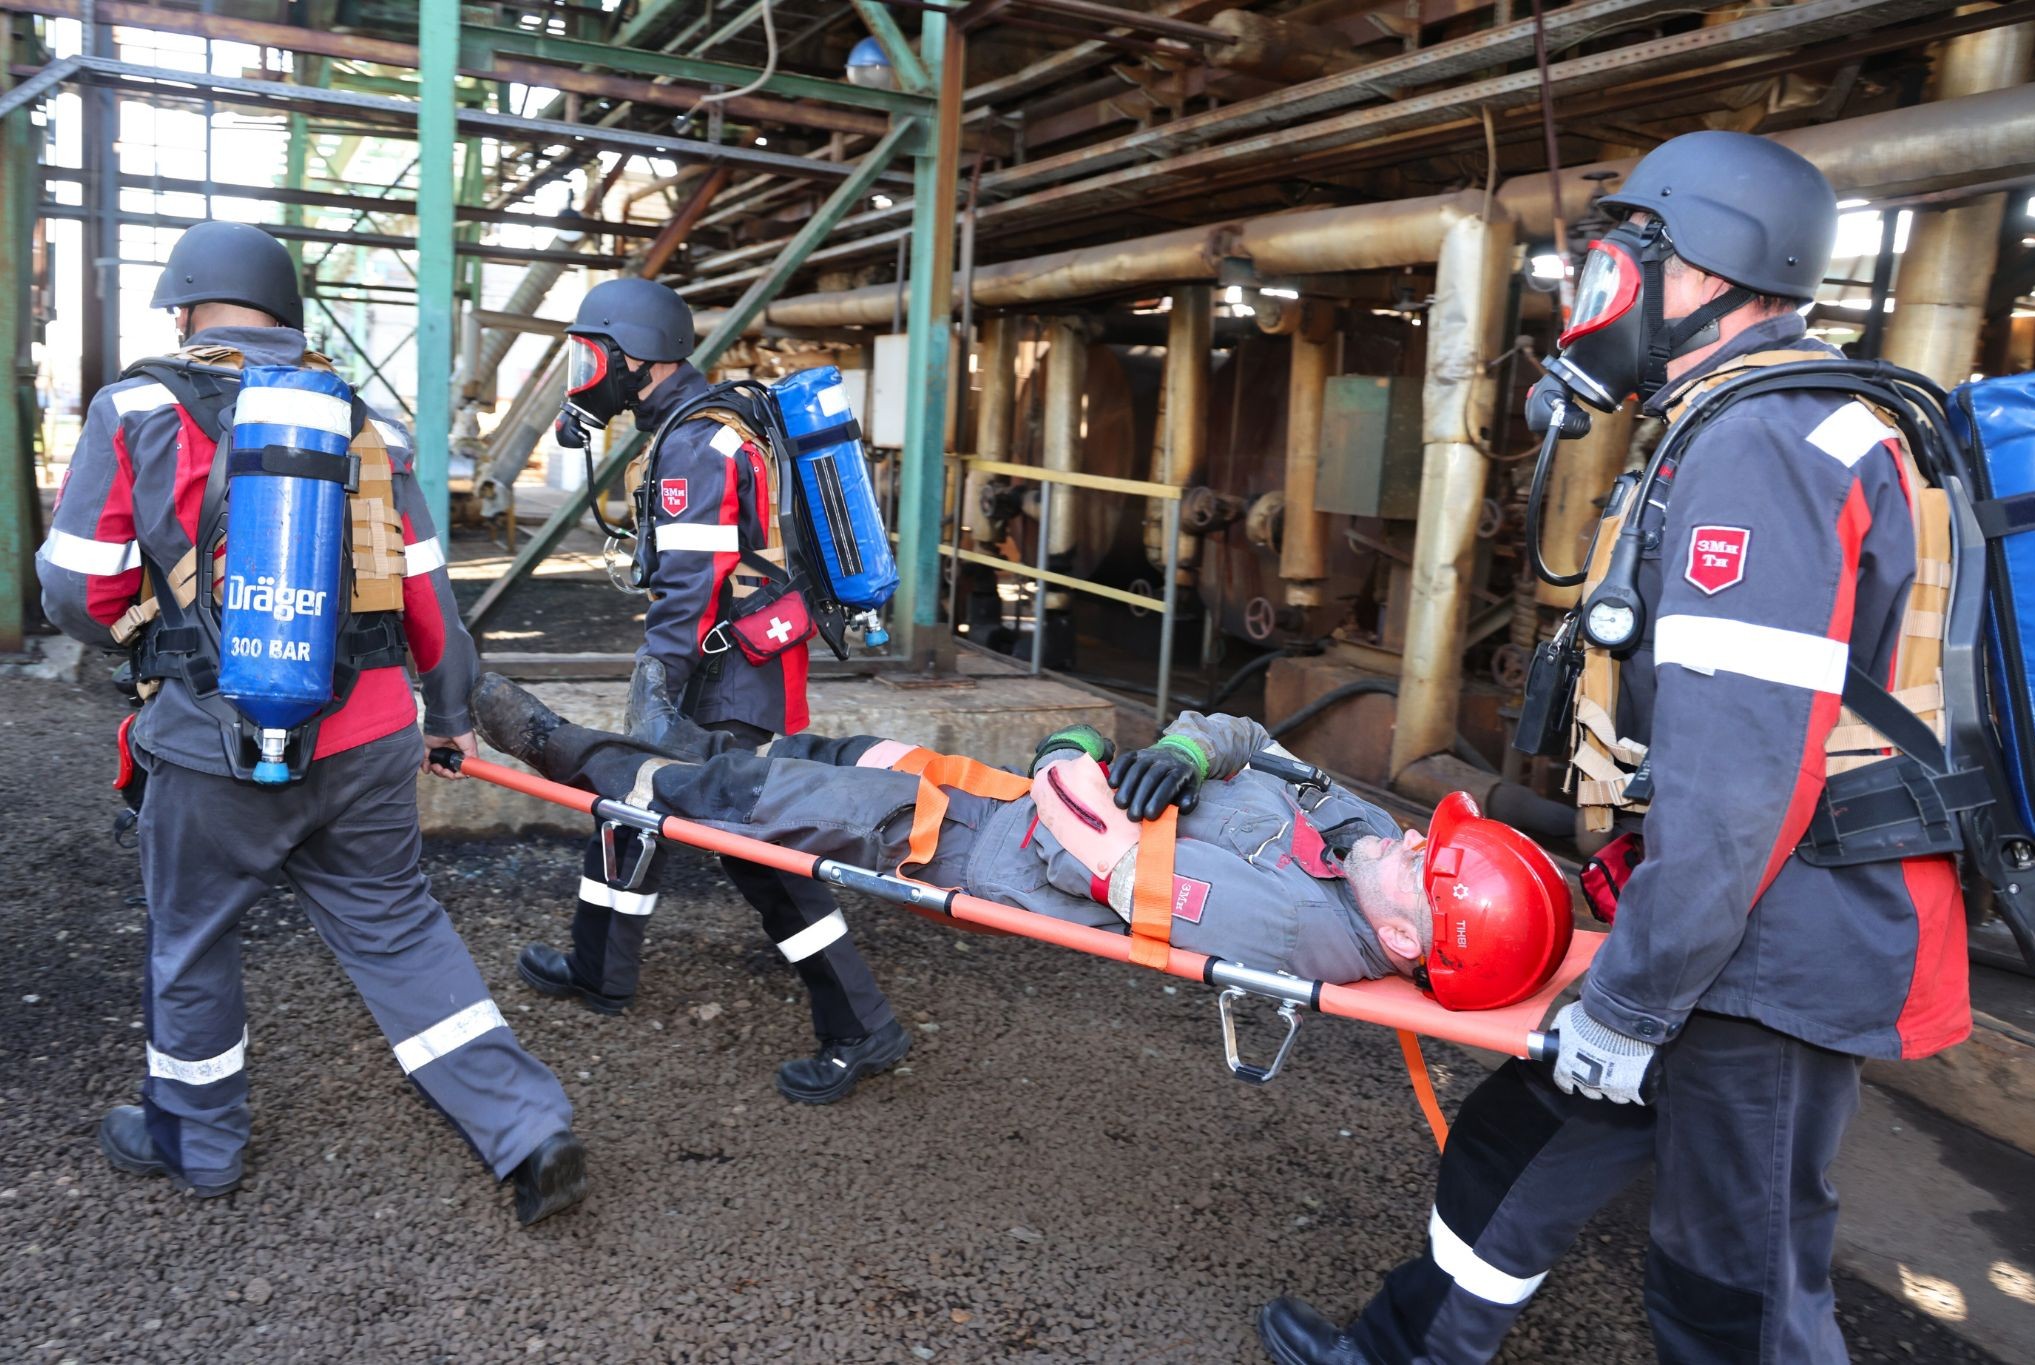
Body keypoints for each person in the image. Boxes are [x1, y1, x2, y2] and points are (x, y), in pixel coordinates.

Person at [1258, 133, 1972, 1364]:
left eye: (1621, 260)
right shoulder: (1741, 423)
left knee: (1732, 1295)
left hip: (1771, 953)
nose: (1593, 294)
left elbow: (1741, 777)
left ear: (1709, 271)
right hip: (1712, 923)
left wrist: (1632, 1005)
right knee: (1513, 1146)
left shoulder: (1762, 449)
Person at [37, 221, 586, 1225]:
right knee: (397, 926)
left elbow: (77, 587)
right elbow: (424, 592)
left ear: (186, 306)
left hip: (214, 739)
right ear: (287, 313)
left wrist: (143, 625)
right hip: (374, 731)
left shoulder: (140, 406)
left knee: (192, 939)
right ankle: (526, 1128)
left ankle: (198, 1142)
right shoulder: (363, 421)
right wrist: (449, 713)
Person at [466, 673, 1573, 1002]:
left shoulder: (1285, 925)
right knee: (795, 753)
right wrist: (1189, 753)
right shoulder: (1364, 848)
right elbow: (1247, 739)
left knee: (712, 793)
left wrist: (1066, 746)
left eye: (1428, 864)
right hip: (968, 793)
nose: (1413, 837)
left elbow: (1074, 858)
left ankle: (551, 744)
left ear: (1398, 932)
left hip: (944, 839)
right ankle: (855, 1025)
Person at [521, 279, 908, 1105]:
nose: (587, 376)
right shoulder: (700, 425)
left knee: (753, 845)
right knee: (632, 796)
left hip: (723, 671)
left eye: (594, 358)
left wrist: (656, 681)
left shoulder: (698, 442)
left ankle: (861, 1023)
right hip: (726, 656)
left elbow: (692, 583)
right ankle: (600, 967)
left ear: (638, 359)